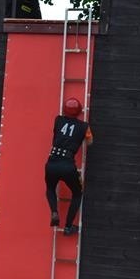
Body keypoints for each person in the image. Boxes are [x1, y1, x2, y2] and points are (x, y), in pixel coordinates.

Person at [45, 97, 93, 236]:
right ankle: (68, 227)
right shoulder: (84, 126)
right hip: (67, 165)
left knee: (50, 188)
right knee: (77, 194)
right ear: (79, 111)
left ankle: (54, 211)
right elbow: (90, 142)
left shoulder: (58, 120)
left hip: (52, 162)